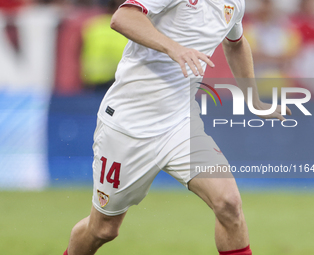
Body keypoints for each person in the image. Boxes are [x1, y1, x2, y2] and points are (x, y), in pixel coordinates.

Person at [63, 0, 291, 254]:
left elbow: (235, 43)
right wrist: (175, 48)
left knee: (228, 203)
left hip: (181, 123)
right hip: (129, 124)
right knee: (103, 229)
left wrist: (254, 100)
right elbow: (123, 18)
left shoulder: (234, 2)